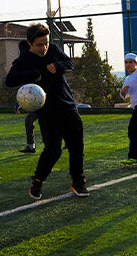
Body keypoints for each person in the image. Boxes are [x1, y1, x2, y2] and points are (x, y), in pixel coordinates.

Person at [5, 23, 88, 199]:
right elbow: (9, 80)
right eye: (39, 45)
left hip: (68, 105)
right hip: (47, 112)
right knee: (53, 150)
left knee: (76, 146)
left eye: (46, 43)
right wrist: (33, 74)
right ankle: (37, 181)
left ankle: (78, 182)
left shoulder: (53, 50)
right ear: (30, 43)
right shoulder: (24, 60)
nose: (44, 48)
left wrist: (58, 66)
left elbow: (69, 63)